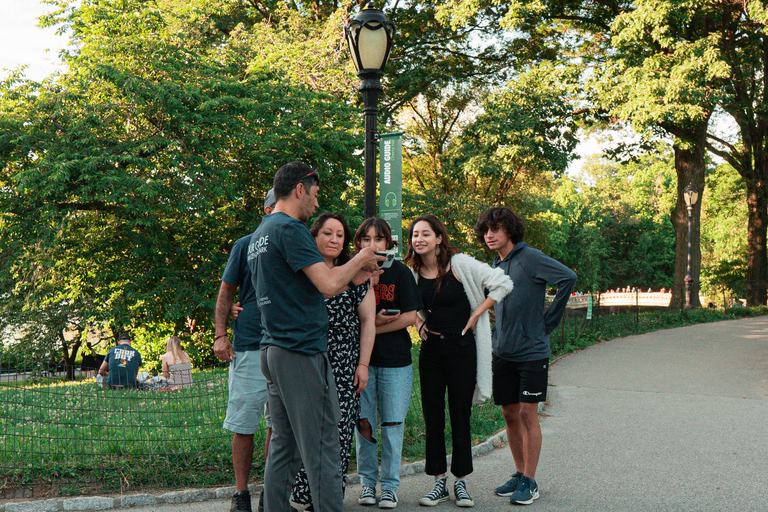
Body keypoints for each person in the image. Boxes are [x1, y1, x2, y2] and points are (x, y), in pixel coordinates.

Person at [247, 162, 383, 512]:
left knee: (284, 447)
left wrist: (351, 270)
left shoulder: (262, 232)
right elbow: (329, 284)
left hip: (272, 349)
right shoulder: (291, 229)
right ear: (299, 189)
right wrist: (364, 259)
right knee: (323, 446)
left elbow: (300, 292)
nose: (315, 203)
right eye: (315, 194)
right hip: (300, 353)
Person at [405, 214, 513, 508]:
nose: (419, 239)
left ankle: (461, 482)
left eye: (426, 234)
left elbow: (502, 283)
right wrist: (419, 321)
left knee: (459, 416)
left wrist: (478, 312)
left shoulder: (461, 264)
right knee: (433, 417)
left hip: (462, 350)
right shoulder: (412, 272)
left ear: (439, 238)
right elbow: (416, 306)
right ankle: (439, 482)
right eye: (415, 235)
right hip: (431, 353)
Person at [474, 207, 576, 506]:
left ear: (509, 230)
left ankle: (530, 481)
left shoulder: (530, 258)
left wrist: (548, 322)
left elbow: (568, 278)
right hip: (503, 351)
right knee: (508, 413)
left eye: (495, 229)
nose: (489, 235)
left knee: (527, 413)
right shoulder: (496, 264)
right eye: (485, 230)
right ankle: (519, 473)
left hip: (532, 351)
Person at [291, 212, 376, 510]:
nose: (334, 239)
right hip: (307, 357)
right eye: (328, 233)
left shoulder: (357, 274)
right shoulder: (304, 273)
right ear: (314, 238)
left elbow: (368, 322)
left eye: (340, 235)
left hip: (345, 364)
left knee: (338, 432)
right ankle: (303, 496)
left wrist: (363, 365)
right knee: (306, 429)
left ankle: (327, 499)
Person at [213, 188, 276, 512]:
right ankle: (241, 495)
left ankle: (272, 493)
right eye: (277, 208)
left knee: (277, 426)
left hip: (285, 346)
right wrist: (220, 335)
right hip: (249, 347)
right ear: (266, 211)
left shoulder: (294, 242)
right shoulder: (245, 245)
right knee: (244, 424)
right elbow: (226, 293)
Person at [353, 217, 422, 509]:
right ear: (358, 244)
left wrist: (373, 327)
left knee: (393, 425)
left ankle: (390, 487)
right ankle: (367, 484)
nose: (372, 244)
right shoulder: (350, 272)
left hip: (395, 362)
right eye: (366, 239)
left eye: (378, 239)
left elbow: (409, 316)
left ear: (388, 243)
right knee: (364, 424)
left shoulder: (401, 273)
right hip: (360, 363)